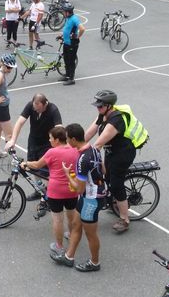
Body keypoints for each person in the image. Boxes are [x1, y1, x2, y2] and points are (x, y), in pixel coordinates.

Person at [84, 90, 148, 233]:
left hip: (123, 153)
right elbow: (88, 134)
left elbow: (98, 145)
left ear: (109, 106)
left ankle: (124, 219)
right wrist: (73, 147)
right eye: (97, 106)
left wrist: (84, 158)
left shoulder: (116, 120)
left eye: (100, 106)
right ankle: (114, 203)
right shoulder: (103, 114)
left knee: (116, 183)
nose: (98, 108)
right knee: (106, 176)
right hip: (111, 151)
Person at [51, 123, 106, 272]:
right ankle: (69, 257)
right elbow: (103, 169)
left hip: (91, 199)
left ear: (74, 139)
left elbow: (78, 188)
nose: (67, 141)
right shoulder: (94, 149)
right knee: (76, 224)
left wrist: (67, 174)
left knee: (90, 234)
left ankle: (95, 263)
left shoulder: (82, 159)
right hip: (90, 195)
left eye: (68, 138)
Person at [22, 126, 79, 254]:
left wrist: (26, 163)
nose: (49, 140)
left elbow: (37, 165)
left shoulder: (52, 152)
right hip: (71, 188)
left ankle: (59, 246)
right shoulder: (74, 150)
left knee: (58, 219)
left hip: (55, 191)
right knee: (71, 215)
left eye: (51, 138)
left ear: (57, 140)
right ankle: (71, 234)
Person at [4, 93, 62, 200]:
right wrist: (13, 140)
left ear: (45, 104)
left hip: (47, 145)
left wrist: (59, 147)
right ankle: (39, 190)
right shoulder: (31, 106)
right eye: (34, 108)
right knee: (34, 169)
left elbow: (59, 128)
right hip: (33, 142)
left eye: (38, 109)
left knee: (45, 173)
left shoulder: (53, 110)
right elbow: (20, 122)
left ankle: (45, 199)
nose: (35, 111)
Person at [57, 2, 85, 85]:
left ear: (68, 12)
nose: (63, 13)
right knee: (66, 59)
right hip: (66, 43)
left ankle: (71, 79)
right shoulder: (68, 18)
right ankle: (67, 75)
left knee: (71, 61)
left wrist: (77, 36)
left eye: (64, 11)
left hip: (72, 43)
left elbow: (82, 29)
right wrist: (61, 35)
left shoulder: (74, 19)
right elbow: (67, 29)